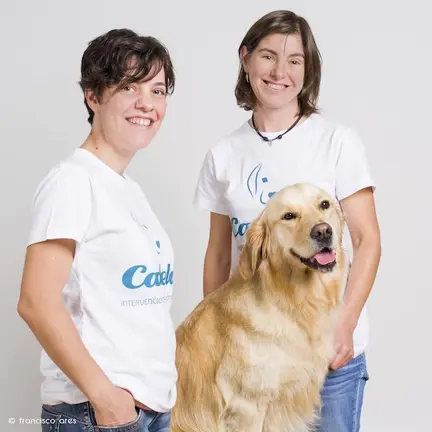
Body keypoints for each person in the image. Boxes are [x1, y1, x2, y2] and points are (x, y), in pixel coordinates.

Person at [193, 10, 381, 432]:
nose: (281, 72)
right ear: (245, 58)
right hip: (255, 357)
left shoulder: (337, 142)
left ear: (307, 69)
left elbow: (367, 240)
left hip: (328, 352)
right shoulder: (223, 156)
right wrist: (217, 334)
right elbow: (219, 254)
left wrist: (346, 322)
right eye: (268, 56)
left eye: (295, 60)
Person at [18, 29, 176, 432]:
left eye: (157, 91)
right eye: (129, 87)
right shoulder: (72, 181)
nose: (147, 103)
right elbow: (36, 301)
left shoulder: (129, 190)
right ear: (93, 96)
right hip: (98, 414)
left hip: (148, 411)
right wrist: (107, 399)